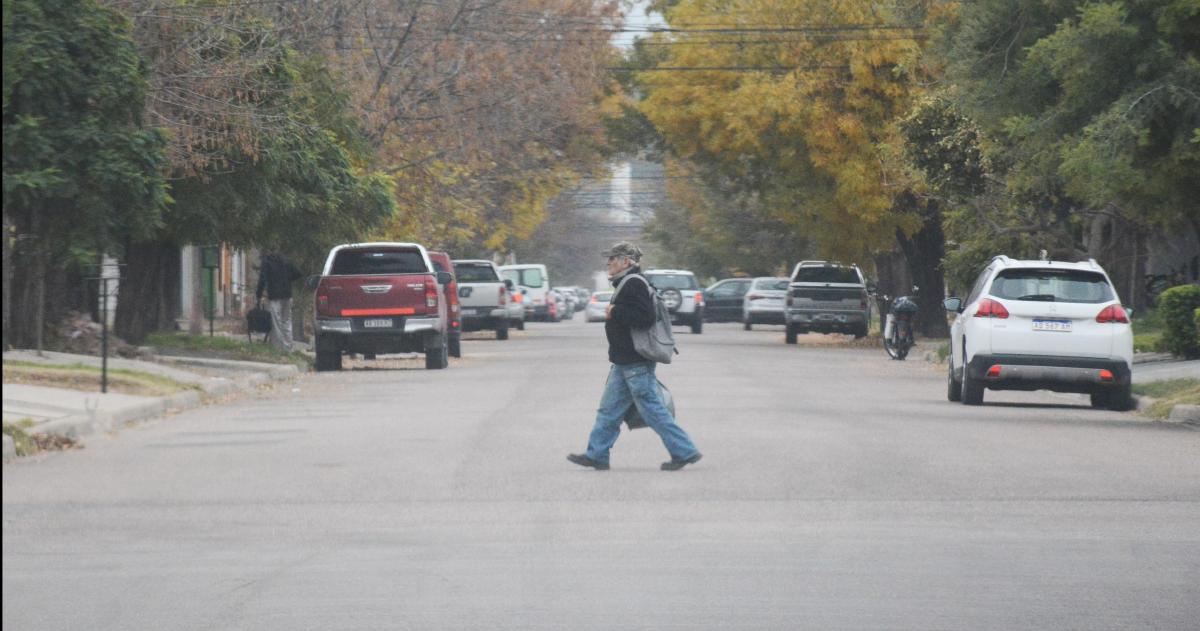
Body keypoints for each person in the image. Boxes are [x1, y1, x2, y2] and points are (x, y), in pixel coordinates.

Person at [567, 242, 702, 471]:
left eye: (613, 258)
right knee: (609, 411)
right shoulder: (628, 282)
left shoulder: (634, 283)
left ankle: (684, 451)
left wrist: (615, 311)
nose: (608, 263)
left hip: (634, 362)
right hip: (624, 362)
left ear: (626, 261)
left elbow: (644, 317)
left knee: (653, 411)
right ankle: (597, 454)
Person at [255, 252, 302, 352]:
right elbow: (298, 273)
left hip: (274, 296)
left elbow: (262, 279)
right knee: (286, 322)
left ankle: (277, 348)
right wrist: (287, 280)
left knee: (276, 322)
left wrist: (259, 294)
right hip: (287, 295)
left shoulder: (267, 262)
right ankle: (288, 348)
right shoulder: (285, 261)